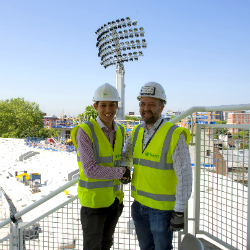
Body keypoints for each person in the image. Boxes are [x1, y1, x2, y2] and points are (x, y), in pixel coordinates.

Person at [120, 82, 192, 250]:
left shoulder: (174, 134)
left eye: (152, 104)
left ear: (162, 106)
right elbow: (127, 155)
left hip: (162, 211)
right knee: (145, 248)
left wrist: (179, 210)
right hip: (138, 206)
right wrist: (125, 168)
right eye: (143, 104)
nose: (146, 108)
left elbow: (185, 176)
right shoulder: (137, 132)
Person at [71, 83, 130, 250]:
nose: (108, 109)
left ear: (117, 106)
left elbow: (119, 160)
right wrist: (121, 172)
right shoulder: (85, 131)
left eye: (112, 104)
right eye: (103, 105)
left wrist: (126, 172)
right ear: (95, 106)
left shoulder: (120, 130)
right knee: (93, 247)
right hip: (94, 204)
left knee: (106, 244)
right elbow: (90, 169)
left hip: (114, 200)